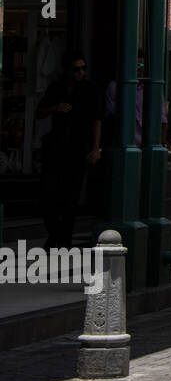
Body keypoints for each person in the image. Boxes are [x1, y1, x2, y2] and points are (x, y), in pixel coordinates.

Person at [36, 51, 103, 249]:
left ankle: (63, 239)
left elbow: (97, 119)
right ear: (67, 70)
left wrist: (95, 148)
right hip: (56, 147)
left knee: (70, 197)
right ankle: (55, 233)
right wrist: (54, 108)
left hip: (78, 148)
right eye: (76, 69)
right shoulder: (56, 88)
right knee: (48, 195)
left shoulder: (90, 90)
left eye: (83, 68)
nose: (80, 73)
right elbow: (40, 112)